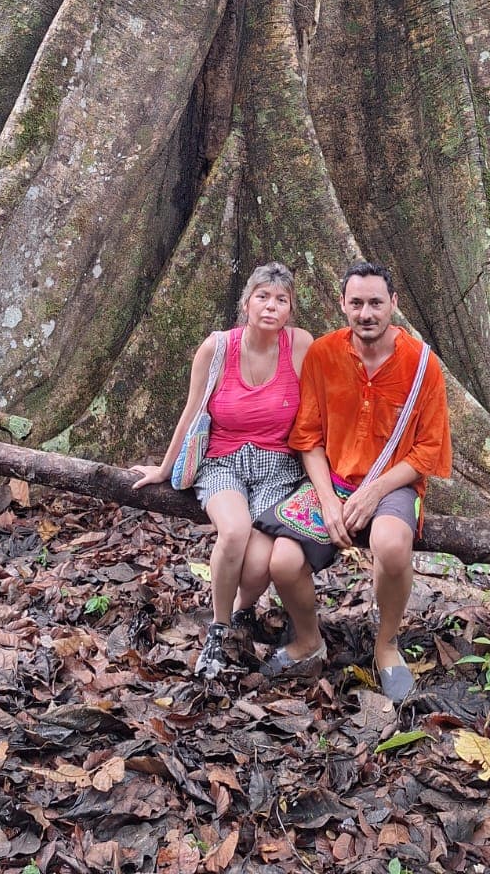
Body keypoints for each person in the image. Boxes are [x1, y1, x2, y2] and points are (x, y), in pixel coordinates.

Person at [262, 259, 451, 700]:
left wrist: (374, 493)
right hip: (333, 480)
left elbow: (428, 452)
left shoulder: (423, 365)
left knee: (389, 543)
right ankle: (309, 640)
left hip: (394, 483)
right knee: (282, 562)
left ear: (394, 305)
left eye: (376, 303)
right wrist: (328, 500)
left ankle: (386, 645)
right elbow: (307, 436)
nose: (367, 313)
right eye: (357, 303)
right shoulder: (324, 355)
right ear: (342, 305)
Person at [129, 262, 313, 679]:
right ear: (246, 303)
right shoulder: (217, 348)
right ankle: (219, 629)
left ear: (290, 310)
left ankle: (242, 611)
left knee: (260, 565)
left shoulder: (299, 345)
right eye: (262, 297)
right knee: (234, 531)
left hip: (278, 469)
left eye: (281, 300)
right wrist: (164, 467)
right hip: (223, 461)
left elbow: (320, 407)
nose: (271, 306)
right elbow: (191, 411)